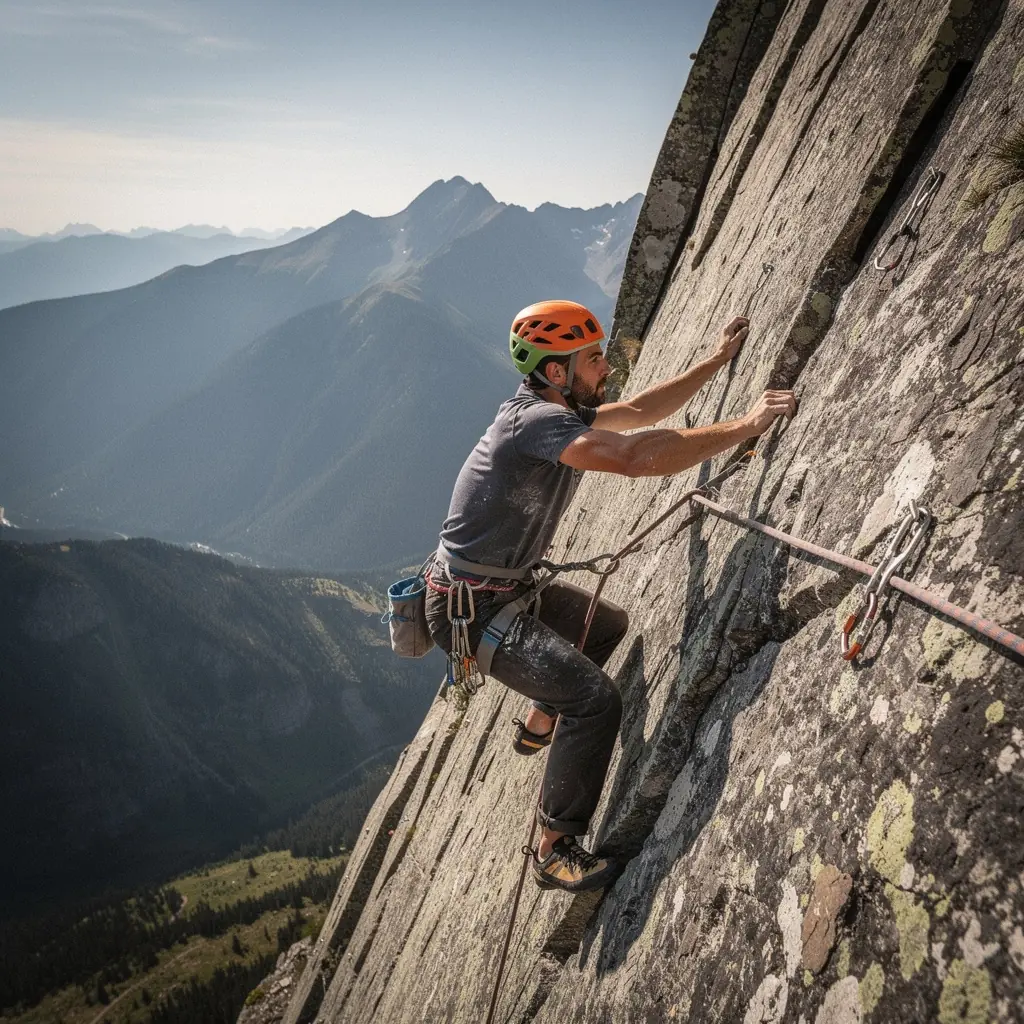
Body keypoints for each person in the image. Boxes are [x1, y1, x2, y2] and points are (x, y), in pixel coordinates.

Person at [424, 300, 796, 892]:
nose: (606, 367)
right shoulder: (536, 424)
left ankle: (542, 716)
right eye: (593, 359)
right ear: (556, 371)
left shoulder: (559, 407)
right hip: (470, 609)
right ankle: (552, 849)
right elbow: (632, 456)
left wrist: (714, 361)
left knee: (604, 626)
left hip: (500, 588)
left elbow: (640, 412)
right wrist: (746, 427)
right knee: (595, 700)